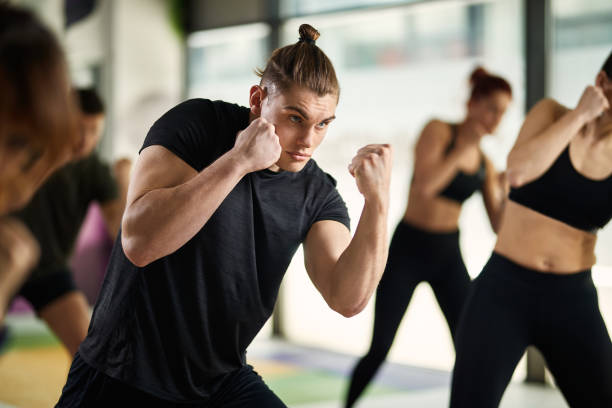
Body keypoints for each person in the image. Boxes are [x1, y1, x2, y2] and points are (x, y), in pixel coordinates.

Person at [56, 24, 392, 407]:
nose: (307, 141)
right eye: (295, 118)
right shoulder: (197, 125)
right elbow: (139, 243)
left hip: (220, 381)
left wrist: (378, 203)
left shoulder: (316, 192)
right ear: (257, 99)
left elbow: (346, 297)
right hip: (123, 371)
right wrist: (238, 162)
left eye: (322, 124)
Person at [450, 52, 612, 408]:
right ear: (602, 84)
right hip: (503, 291)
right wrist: (581, 115)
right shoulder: (552, 113)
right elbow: (519, 172)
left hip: (572, 300)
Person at [345, 67, 512, 408]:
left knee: (468, 345)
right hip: (409, 248)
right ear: (473, 103)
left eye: (503, 113)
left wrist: (507, 191)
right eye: (492, 108)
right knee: (380, 348)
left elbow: (499, 225)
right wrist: (461, 149)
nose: (496, 119)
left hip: (448, 255)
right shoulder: (438, 131)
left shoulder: (485, 164)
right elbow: (425, 187)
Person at [11, 88, 131, 356]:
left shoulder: (94, 170)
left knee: (88, 355)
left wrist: (124, 181)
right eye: (79, 128)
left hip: (49, 270)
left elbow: (119, 232)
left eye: (93, 130)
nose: (84, 139)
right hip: (5, 260)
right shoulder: (25, 150)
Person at [0, 2, 79, 349]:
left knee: (87, 350)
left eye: (20, 146)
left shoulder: (71, 160)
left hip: (44, 263)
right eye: (16, 143)